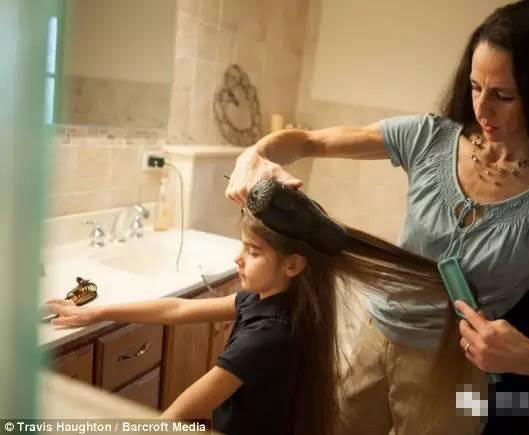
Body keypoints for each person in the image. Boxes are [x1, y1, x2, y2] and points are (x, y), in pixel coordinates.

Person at [225, 1, 529, 434]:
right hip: (375, 338)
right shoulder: (429, 138)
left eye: (503, 95)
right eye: (475, 87)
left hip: (458, 373)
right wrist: (256, 155)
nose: (482, 108)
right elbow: (310, 141)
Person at [46, 179, 461, 435]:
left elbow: (181, 411)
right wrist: (98, 311)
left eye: (253, 251)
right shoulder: (272, 300)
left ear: (293, 265)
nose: (238, 258)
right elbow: (176, 310)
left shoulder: (268, 335)